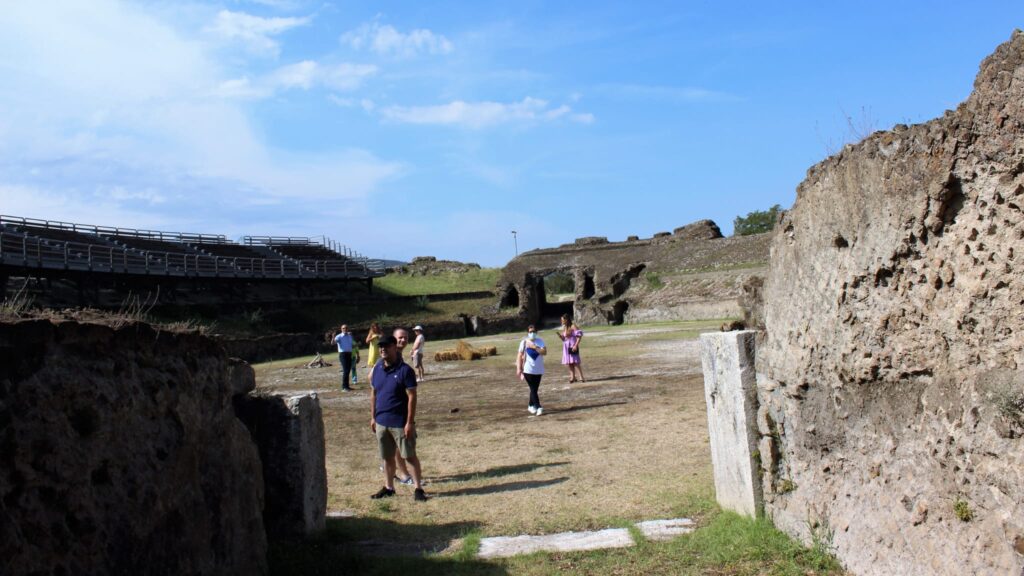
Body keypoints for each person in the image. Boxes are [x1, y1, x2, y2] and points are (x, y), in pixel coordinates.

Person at [369, 334, 427, 502]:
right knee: (387, 457)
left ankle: (418, 489)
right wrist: (373, 417)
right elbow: (373, 393)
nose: (382, 349)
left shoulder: (405, 371)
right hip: (381, 422)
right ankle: (389, 487)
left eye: (386, 346)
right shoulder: (378, 368)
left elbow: (412, 397)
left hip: (400, 423)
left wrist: (409, 422)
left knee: (409, 456)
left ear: (395, 347)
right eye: (381, 347)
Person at [516, 324, 547, 415]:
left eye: (533, 331)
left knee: (534, 389)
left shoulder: (540, 341)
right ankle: (538, 407)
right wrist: (518, 368)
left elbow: (544, 352)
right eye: (530, 332)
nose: (532, 333)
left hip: (539, 369)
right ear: (528, 333)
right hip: (528, 370)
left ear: (536, 332)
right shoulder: (524, 342)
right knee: (533, 388)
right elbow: (519, 355)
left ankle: (530, 405)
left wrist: (534, 347)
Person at [557, 314, 585, 383]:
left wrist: (575, 345)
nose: (561, 321)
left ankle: (581, 377)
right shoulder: (565, 327)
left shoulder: (573, 326)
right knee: (570, 362)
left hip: (572, 346)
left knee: (575, 362)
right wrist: (561, 337)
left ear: (566, 320)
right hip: (566, 347)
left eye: (562, 320)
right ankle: (572, 377)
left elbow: (579, 336)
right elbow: (565, 339)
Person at [334, 324, 354, 391]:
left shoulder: (349, 336)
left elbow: (351, 344)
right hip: (343, 354)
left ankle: (347, 386)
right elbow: (333, 342)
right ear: (341, 329)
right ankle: (344, 387)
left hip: (349, 354)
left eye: (346, 328)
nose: (345, 329)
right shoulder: (339, 336)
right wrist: (333, 337)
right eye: (343, 328)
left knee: (348, 370)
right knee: (345, 370)